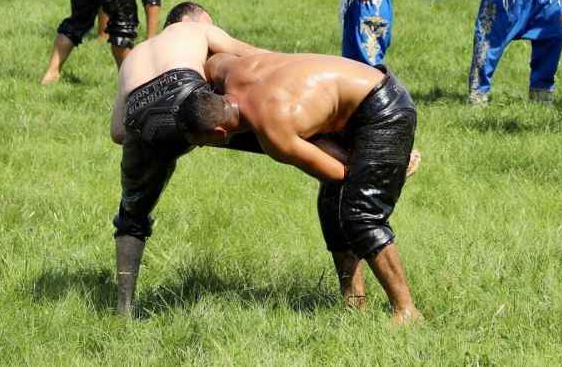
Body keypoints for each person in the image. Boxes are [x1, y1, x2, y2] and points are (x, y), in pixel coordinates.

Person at [177, 53, 422, 324]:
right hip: (361, 92)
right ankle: (354, 302)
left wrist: (387, 171)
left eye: (201, 142)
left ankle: (406, 310)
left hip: (383, 109)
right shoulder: (228, 69)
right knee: (331, 204)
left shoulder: (273, 133)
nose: (200, 146)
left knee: (359, 214)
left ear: (221, 133)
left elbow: (343, 174)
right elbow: (211, 54)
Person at [110, 2, 272, 316]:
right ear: (189, 19)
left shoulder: (133, 56)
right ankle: (339, 148)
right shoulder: (195, 27)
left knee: (132, 213)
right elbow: (253, 54)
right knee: (270, 134)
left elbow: (117, 131)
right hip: (185, 94)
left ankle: (124, 308)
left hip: (139, 120)